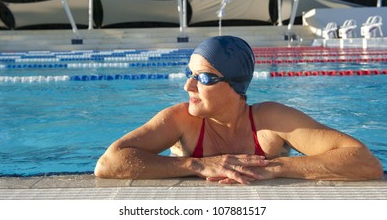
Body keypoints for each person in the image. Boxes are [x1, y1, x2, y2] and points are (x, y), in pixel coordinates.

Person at [94, 35, 383, 184]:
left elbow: (365, 162)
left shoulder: (271, 120)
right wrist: (198, 165)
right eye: (189, 73)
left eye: (203, 78)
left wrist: (276, 168)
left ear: (235, 85)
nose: (188, 86)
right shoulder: (181, 119)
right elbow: (108, 163)